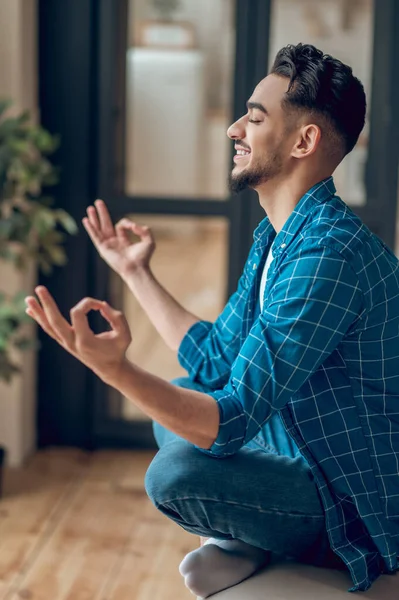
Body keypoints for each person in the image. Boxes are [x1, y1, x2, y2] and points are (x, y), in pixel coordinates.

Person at [25, 43, 399, 597]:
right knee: (180, 396)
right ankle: (244, 536)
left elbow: (229, 421)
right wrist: (137, 273)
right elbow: (214, 359)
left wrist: (115, 371)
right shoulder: (278, 235)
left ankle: (249, 536)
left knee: (175, 475)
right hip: (301, 442)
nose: (232, 130)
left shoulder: (328, 255)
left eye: (253, 117)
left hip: (352, 496)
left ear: (304, 141)